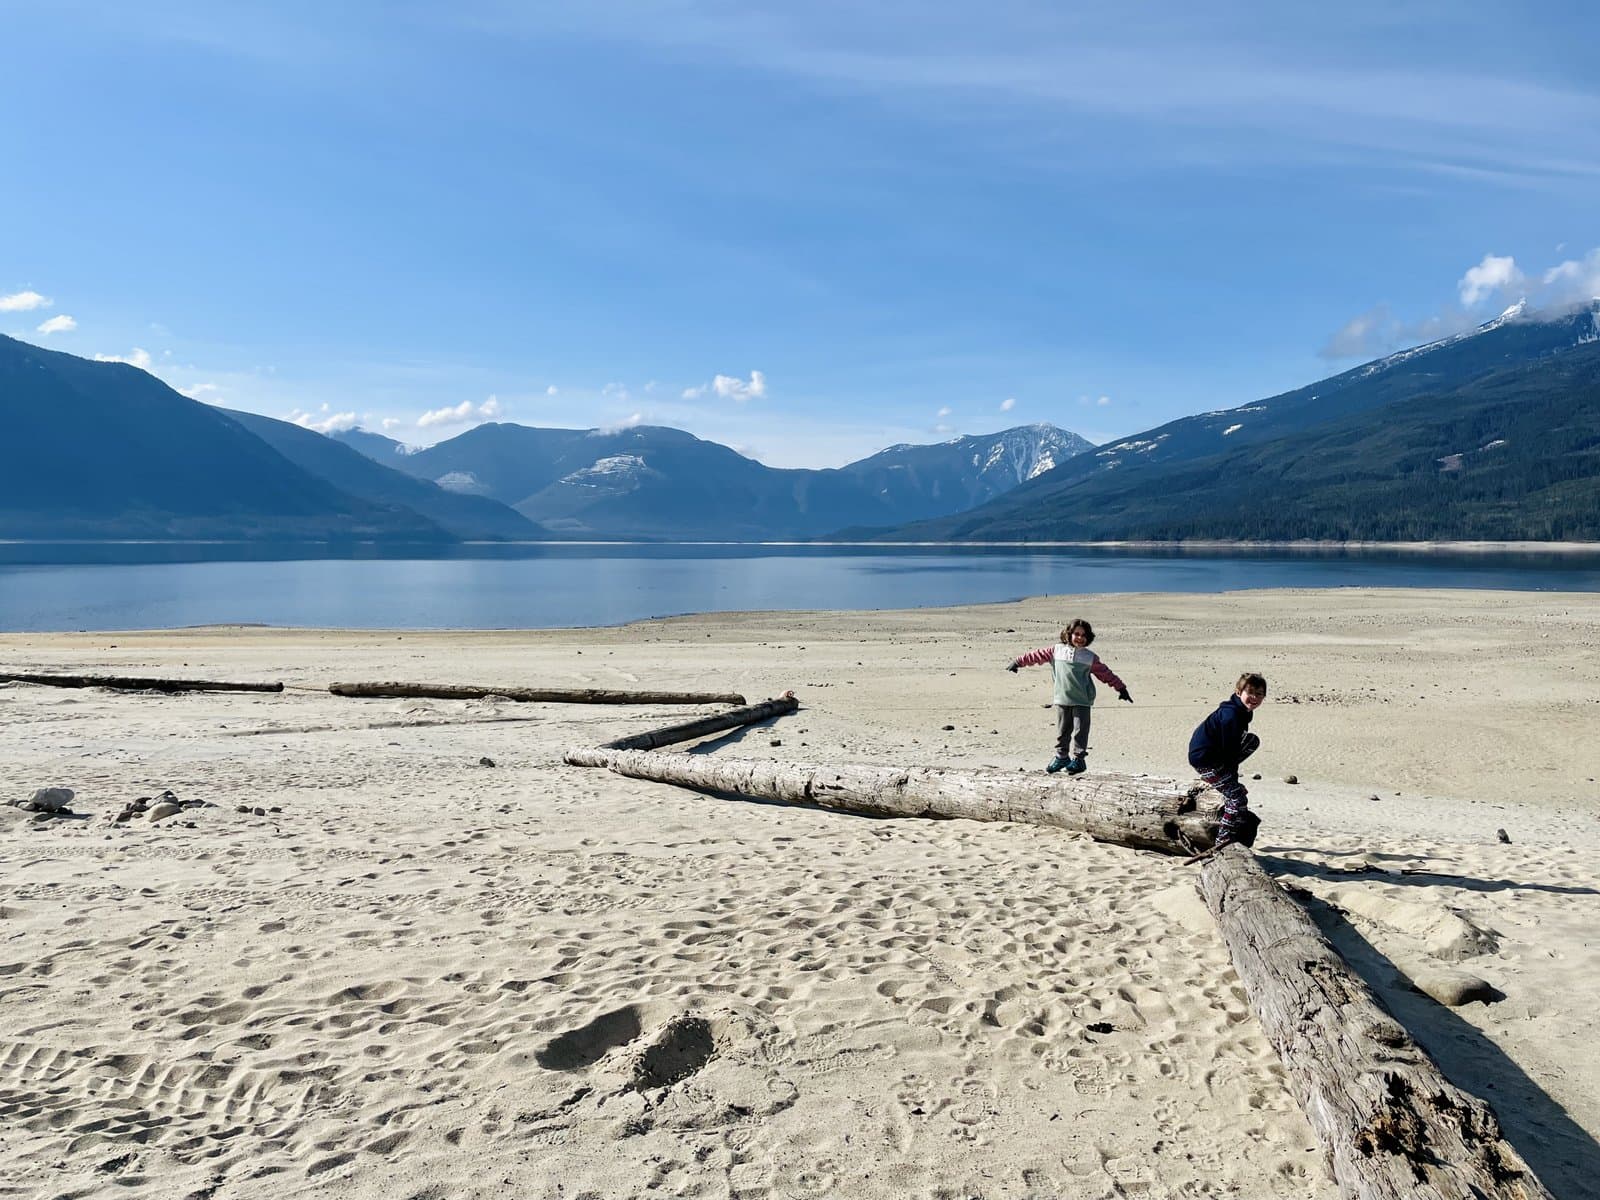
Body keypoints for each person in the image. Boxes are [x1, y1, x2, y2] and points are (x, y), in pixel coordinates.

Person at [1006, 618, 1131, 775]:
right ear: (1069, 634)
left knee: (1080, 731)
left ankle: (1079, 760)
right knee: (1063, 730)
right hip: (1062, 698)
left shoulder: (1090, 657)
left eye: (1084, 635)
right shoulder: (1056, 651)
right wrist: (1018, 662)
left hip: (1082, 700)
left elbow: (1105, 673)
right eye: (1076, 634)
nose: (1080, 638)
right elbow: (1036, 656)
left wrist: (1121, 688)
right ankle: (1061, 757)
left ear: (1089, 637)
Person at [1188, 672, 1267, 848]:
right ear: (1239, 692)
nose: (1254, 697)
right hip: (1205, 759)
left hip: (1216, 755)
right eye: (1251, 692)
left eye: (1260, 694)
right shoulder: (1231, 715)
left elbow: (1233, 750)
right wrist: (1232, 783)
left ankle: (1237, 829)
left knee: (1252, 741)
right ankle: (1222, 841)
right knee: (1237, 798)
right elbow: (1229, 753)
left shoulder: (1242, 711)